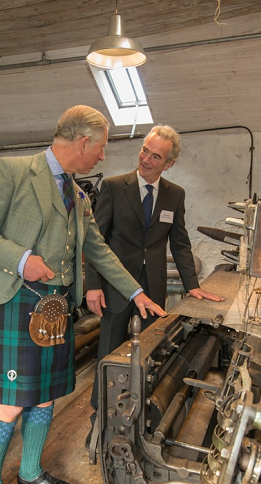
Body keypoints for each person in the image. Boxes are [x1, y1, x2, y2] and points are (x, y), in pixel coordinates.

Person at [0, 105, 166, 484]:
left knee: (48, 395)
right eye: (101, 148)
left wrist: (136, 294)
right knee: (10, 403)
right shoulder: (12, 171)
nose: (102, 158)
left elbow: (100, 250)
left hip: (56, 308)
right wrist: (20, 259)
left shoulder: (78, 193)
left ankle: (31, 472)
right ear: (82, 143)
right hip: (17, 301)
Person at [84, 125, 223, 444]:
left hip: (153, 288)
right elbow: (95, 241)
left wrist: (193, 284)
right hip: (114, 286)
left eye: (155, 155)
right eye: (145, 150)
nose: (146, 159)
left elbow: (181, 242)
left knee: (148, 352)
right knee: (109, 351)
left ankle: (137, 413)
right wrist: (93, 285)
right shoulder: (115, 187)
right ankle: (99, 417)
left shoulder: (175, 195)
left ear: (169, 163)